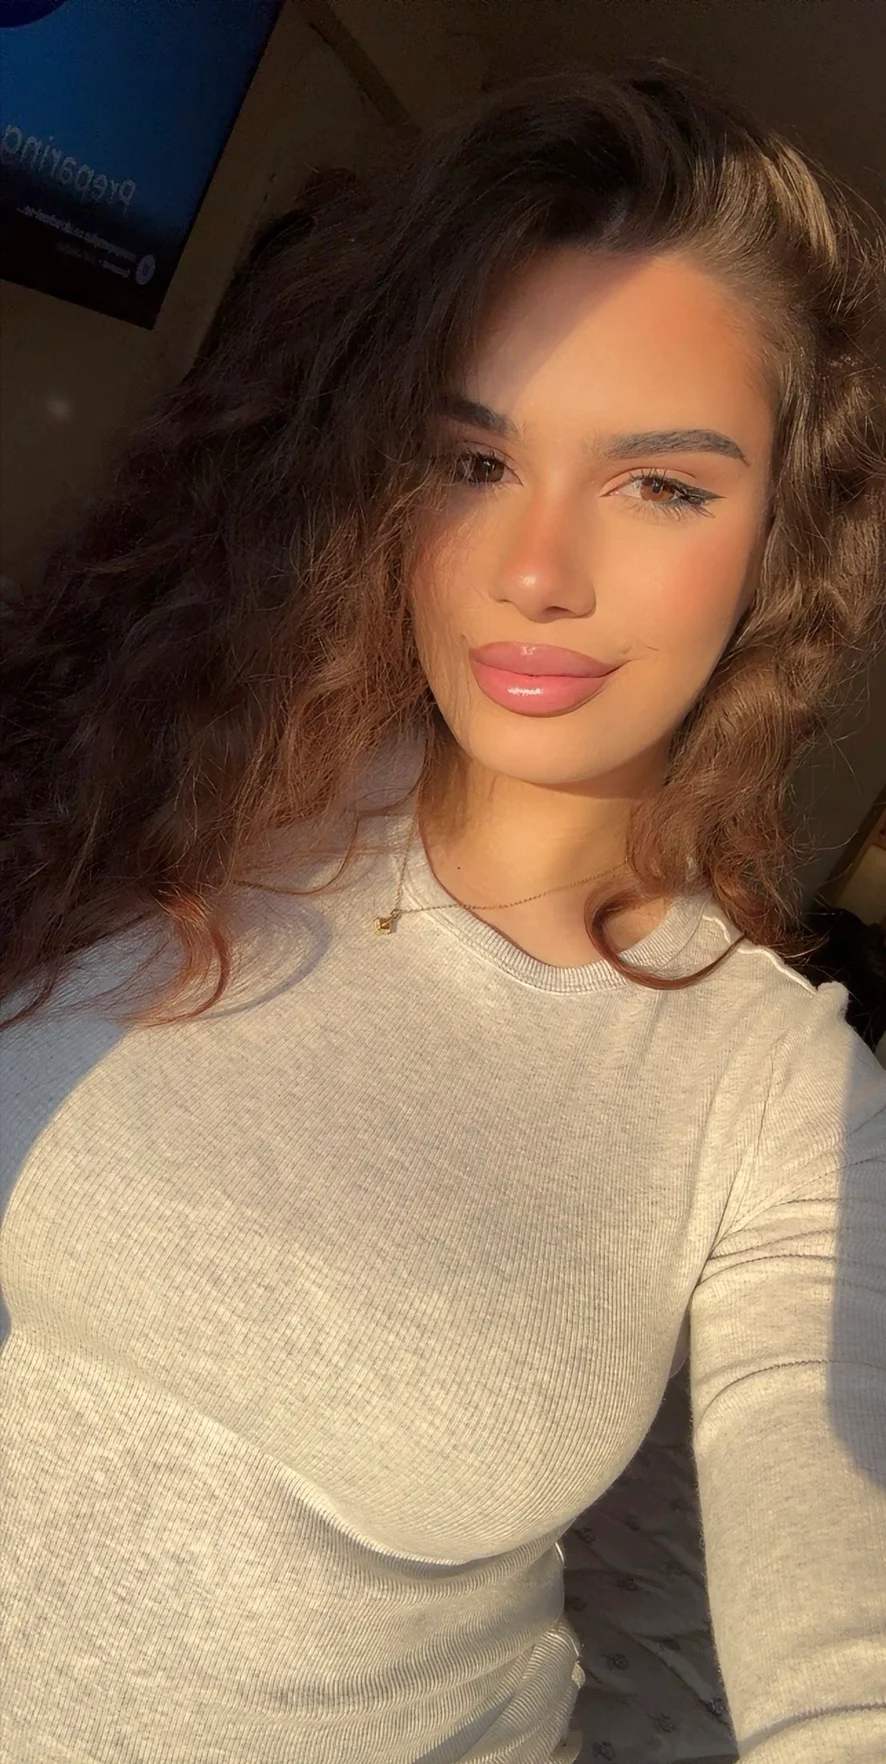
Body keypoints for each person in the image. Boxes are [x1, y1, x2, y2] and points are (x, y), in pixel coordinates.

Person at [1, 62, 885, 1764]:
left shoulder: (776, 1098)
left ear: (781, 538)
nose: (533, 569)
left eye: (661, 484)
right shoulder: (165, 771)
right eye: (472, 458)